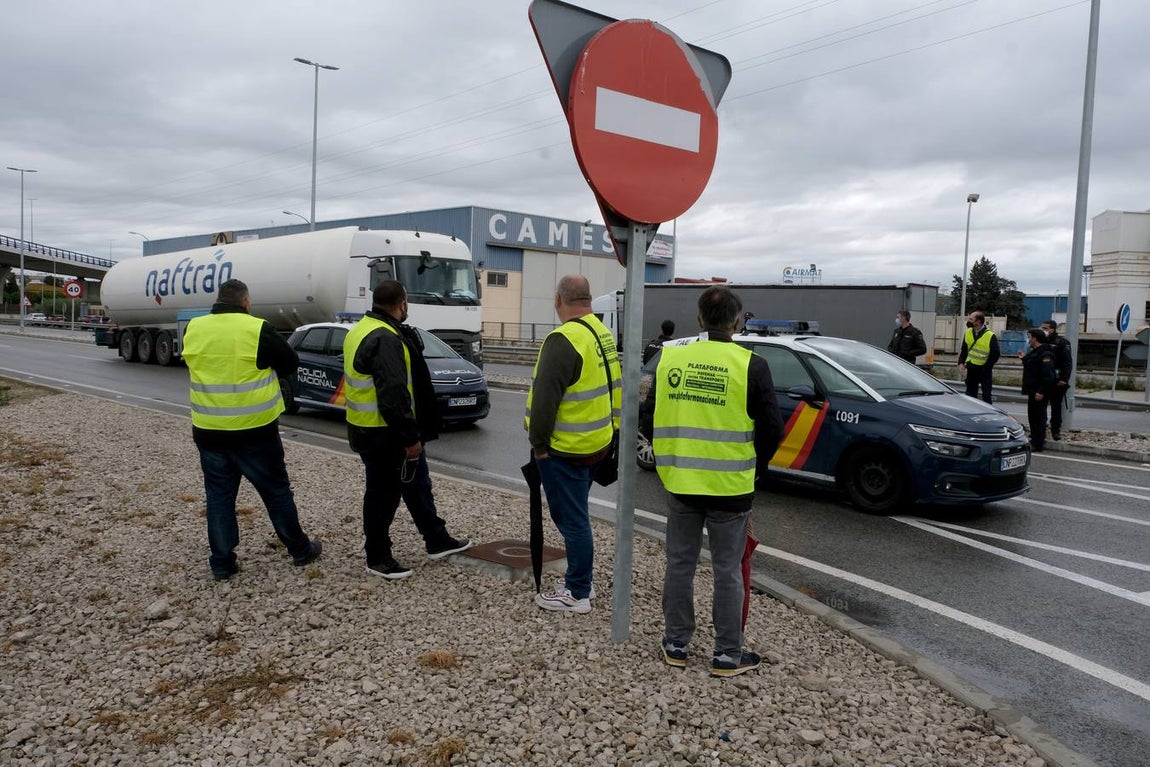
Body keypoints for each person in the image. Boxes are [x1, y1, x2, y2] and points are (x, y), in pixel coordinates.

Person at [641, 285, 784, 677]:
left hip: (680, 481)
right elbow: (773, 428)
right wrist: (758, 466)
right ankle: (726, 654)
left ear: (700, 319)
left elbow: (650, 414)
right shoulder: (751, 364)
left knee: (680, 563)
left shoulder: (671, 359)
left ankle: (676, 644)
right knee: (727, 569)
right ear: (738, 322)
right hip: (731, 488)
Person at [182, 278, 322, 581]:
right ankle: (300, 549)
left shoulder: (195, 327)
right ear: (245, 302)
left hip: (208, 429)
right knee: (275, 492)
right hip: (255, 431)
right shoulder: (256, 328)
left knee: (219, 497)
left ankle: (222, 563)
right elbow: (290, 362)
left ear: (219, 300)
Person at [343, 280, 472, 579]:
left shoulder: (360, 329)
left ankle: (437, 539)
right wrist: (410, 438)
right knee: (382, 496)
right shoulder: (386, 338)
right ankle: (377, 556)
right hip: (385, 436)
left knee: (417, 486)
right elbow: (394, 395)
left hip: (370, 430)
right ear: (402, 304)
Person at [525, 274, 621, 613]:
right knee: (578, 514)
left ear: (559, 300)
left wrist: (539, 447)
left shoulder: (564, 338)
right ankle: (583, 580)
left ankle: (577, 591)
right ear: (589, 299)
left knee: (573, 520)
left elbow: (545, 402)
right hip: (597, 442)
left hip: (566, 449)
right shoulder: (601, 333)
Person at [1019, 328, 1056, 452]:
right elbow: (1033, 367)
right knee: (1033, 417)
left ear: (1035, 338)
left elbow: (1048, 375)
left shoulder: (1045, 354)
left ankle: (1038, 443)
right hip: (1033, 391)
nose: (1028, 340)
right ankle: (1035, 440)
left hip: (1039, 392)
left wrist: (1041, 391)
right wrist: (1024, 359)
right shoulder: (1036, 352)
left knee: (1039, 418)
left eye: (1030, 337)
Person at [957, 310, 1000, 403]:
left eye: (971, 319)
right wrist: (960, 363)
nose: (968, 321)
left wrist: (986, 367)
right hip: (972, 368)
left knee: (986, 394)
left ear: (978, 321)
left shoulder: (990, 335)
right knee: (970, 395)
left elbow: (995, 355)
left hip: (984, 369)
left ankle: (988, 414)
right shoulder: (968, 332)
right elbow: (964, 350)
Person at [1041, 319, 1073, 441]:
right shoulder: (1041, 341)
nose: (1044, 330)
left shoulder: (1062, 343)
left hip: (1057, 380)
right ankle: (1041, 430)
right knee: (1040, 407)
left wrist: (1064, 379)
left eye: (1046, 328)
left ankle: (1055, 430)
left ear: (1053, 329)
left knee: (1056, 407)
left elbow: (1067, 363)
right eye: (1042, 328)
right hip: (1044, 380)